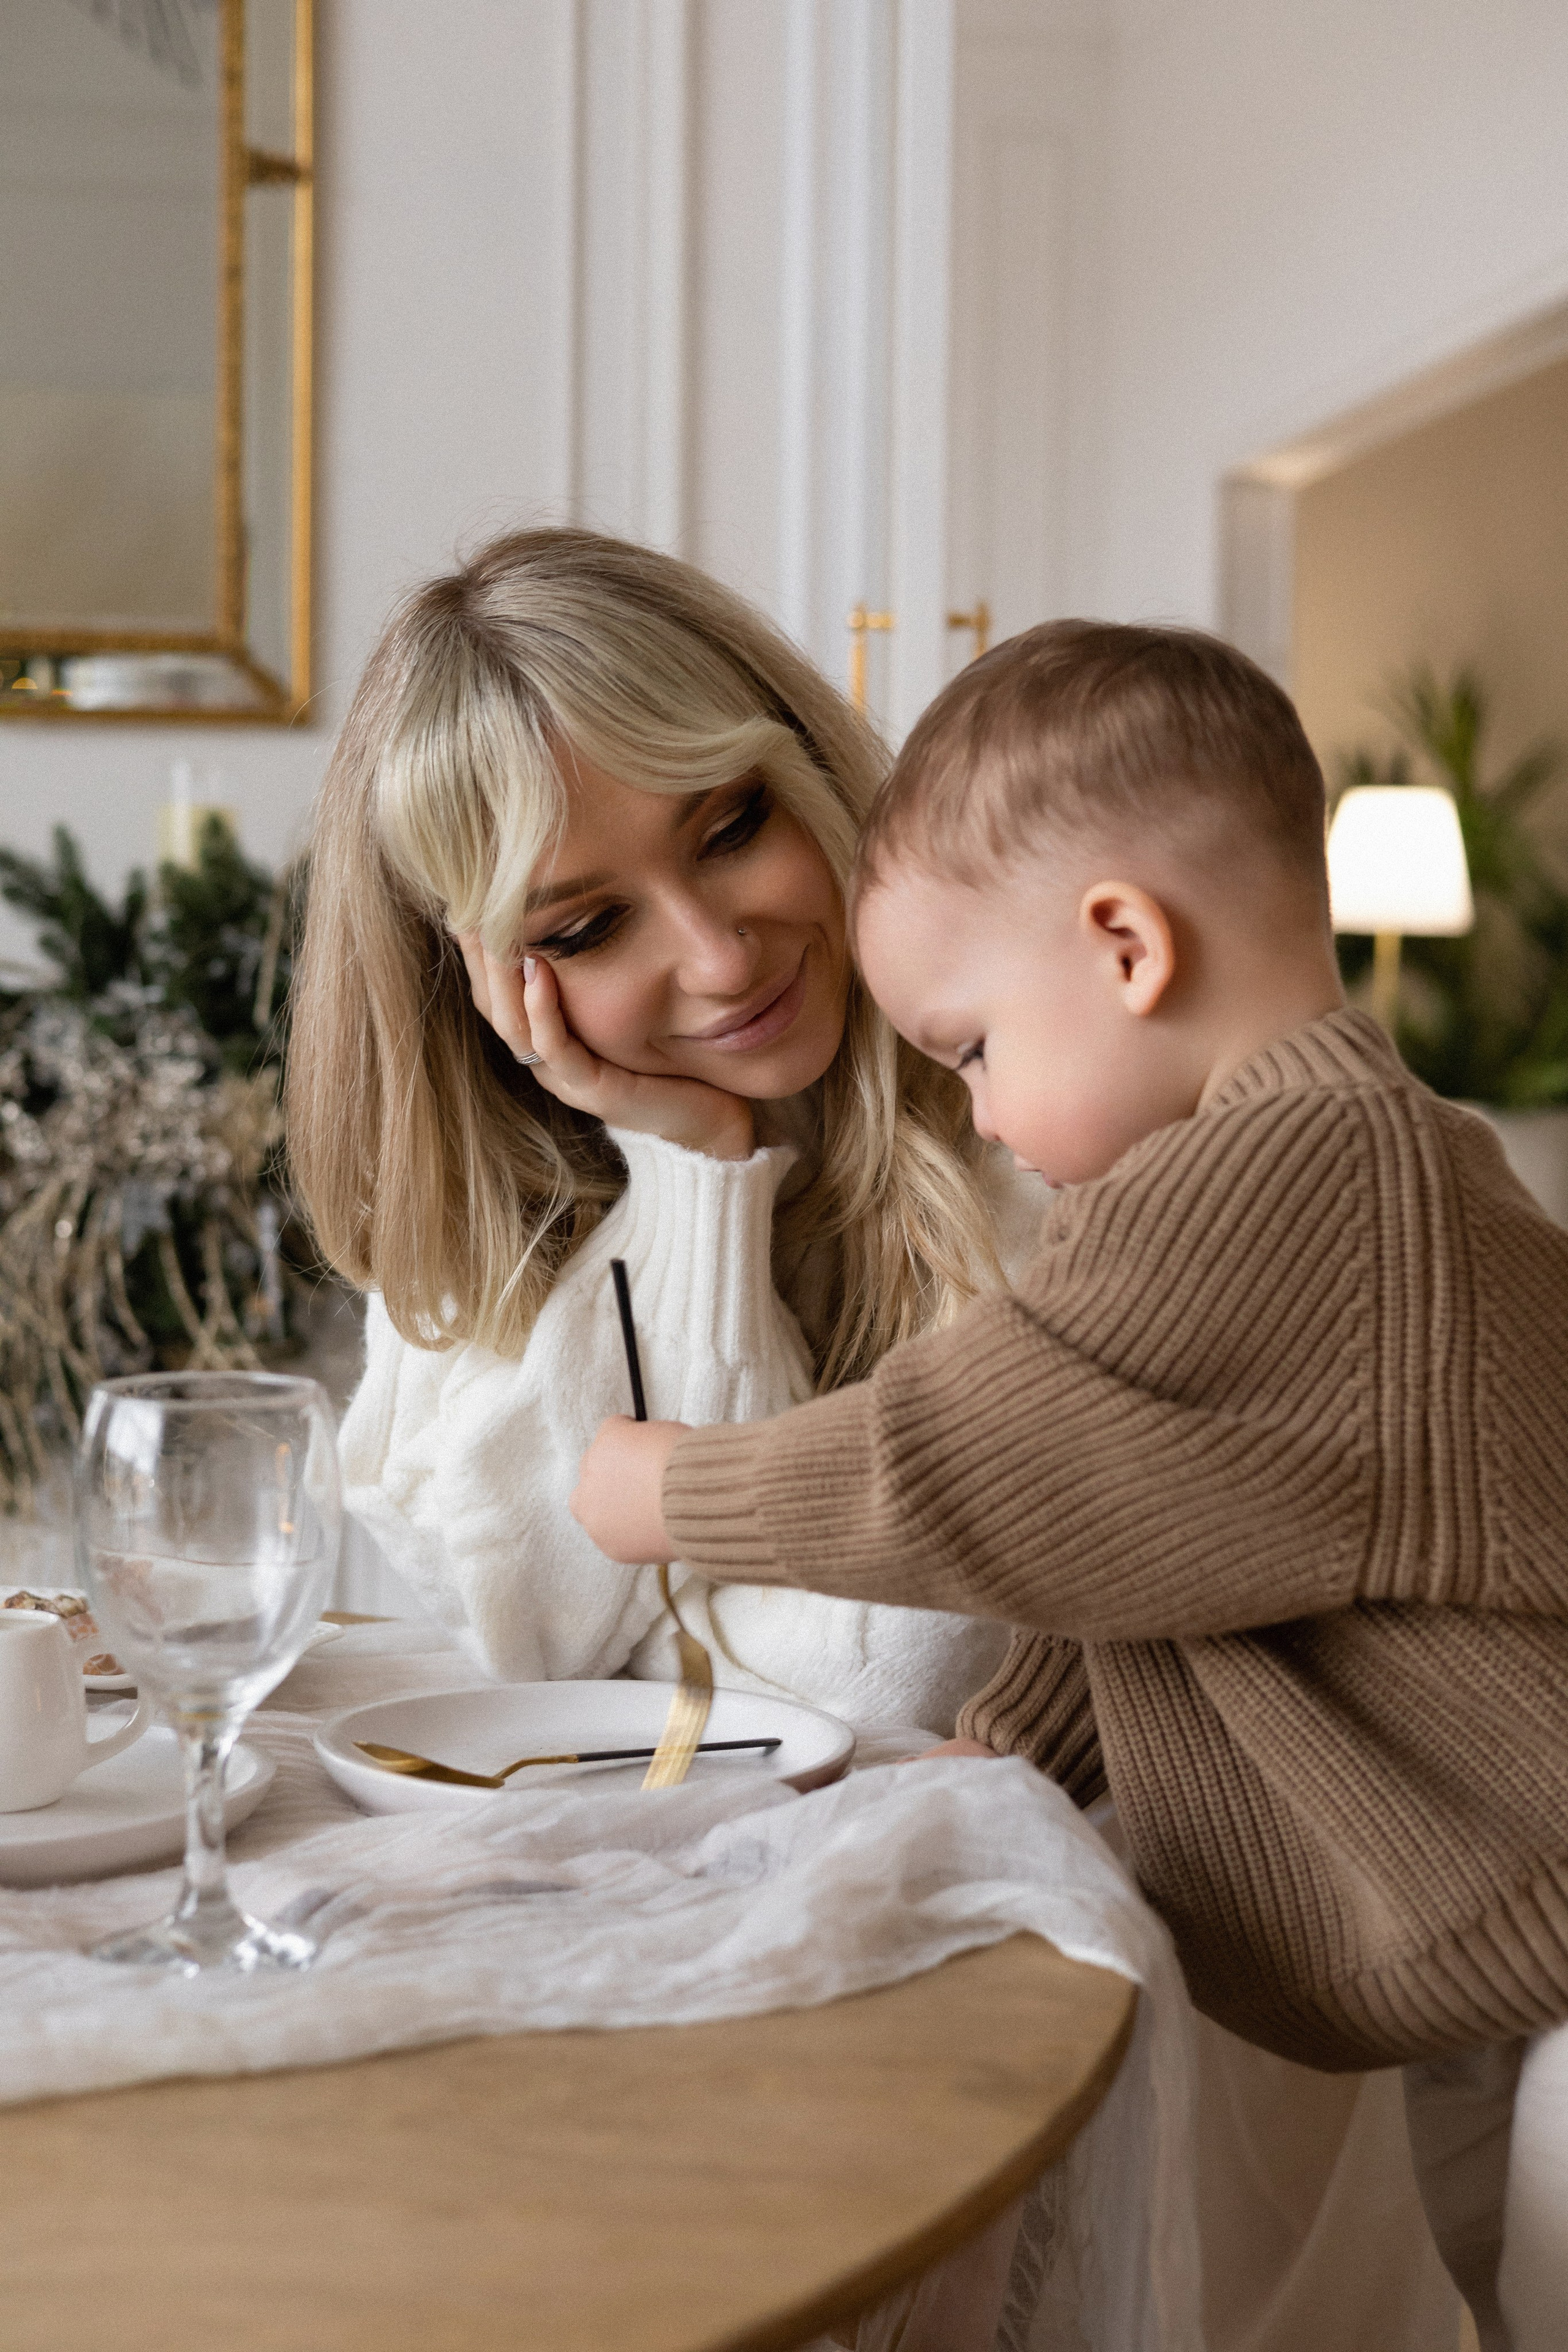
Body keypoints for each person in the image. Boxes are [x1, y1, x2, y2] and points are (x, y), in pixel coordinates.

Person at [572, 620, 1568, 2351]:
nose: (967, 1116)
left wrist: (682, 1491)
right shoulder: (1312, 1164)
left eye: (966, 1049)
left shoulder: (1312, 1180)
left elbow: (999, 1458)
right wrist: (1032, 1737)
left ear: (1123, 945)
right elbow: (1188, 1548)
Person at [286, 524, 1024, 1731]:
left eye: (732, 827)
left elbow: (904, 1672)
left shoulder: (1038, 1116)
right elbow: (534, 1643)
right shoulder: (478, 1239)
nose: (719, 957)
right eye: (584, 929)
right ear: (476, 989)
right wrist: (690, 1165)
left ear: (809, 778)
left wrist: (659, 1637)